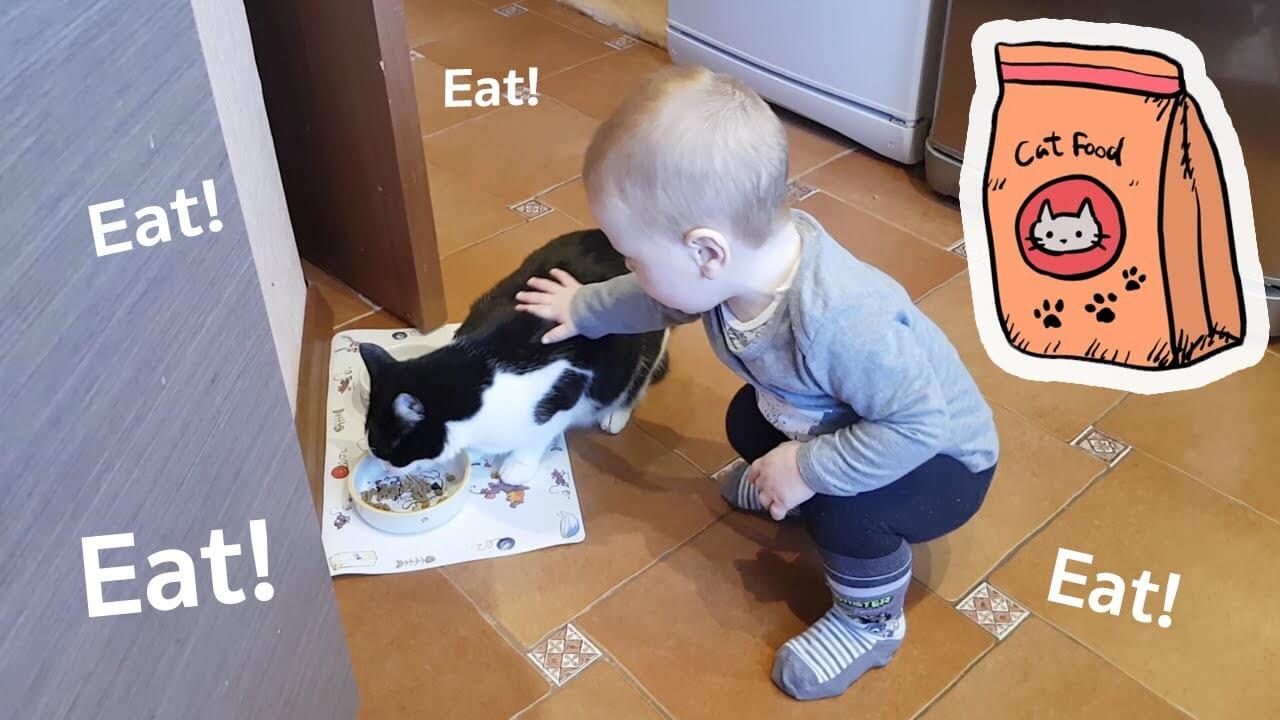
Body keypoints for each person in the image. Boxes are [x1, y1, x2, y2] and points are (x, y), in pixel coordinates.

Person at [514, 64, 999, 701]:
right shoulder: (732, 270)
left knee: (847, 510)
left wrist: (809, 469)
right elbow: (657, 299)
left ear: (706, 252)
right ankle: (798, 484)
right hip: (843, 421)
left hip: (940, 461)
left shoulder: (842, 321)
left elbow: (919, 425)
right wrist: (584, 308)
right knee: (746, 418)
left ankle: (871, 623)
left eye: (633, 254)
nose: (628, 265)